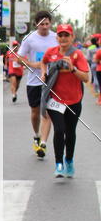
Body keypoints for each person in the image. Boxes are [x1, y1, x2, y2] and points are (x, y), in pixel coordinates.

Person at [40, 23, 90, 177]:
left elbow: (86, 78)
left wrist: (72, 68)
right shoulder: (51, 52)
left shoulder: (77, 54)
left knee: (70, 132)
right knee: (59, 130)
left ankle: (69, 160)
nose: (63, 38)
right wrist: (43, 73)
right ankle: (59, 164)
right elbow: (43, 62)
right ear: (57, 37)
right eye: (60, 35)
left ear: (72, 37)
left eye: (66, 35)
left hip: (74, 100)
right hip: (55, 99)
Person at [17, 10, 58, 159]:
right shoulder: (29, 39)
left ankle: (43, 144)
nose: (45, 27)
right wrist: (33, 64)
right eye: (42, 24)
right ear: (36, 24)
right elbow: (19, 58)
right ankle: (37, 135)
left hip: (51, 81)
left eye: (47, 23)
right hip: (33, 81)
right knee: (35, 113)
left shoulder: (56, 37)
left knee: (46, 112)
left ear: (50, 24)